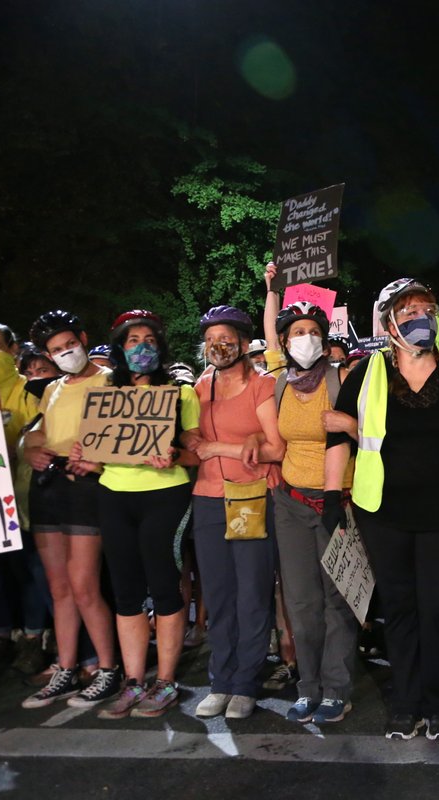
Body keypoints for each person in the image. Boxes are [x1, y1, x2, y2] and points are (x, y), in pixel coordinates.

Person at [324, 278, 439, 741]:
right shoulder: (366, 373)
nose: (420, 318)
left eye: (426, 309)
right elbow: (338, 437)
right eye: (408, 311)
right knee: (401, 609)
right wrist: (333, 497)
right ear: (389, 321)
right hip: (384, 514)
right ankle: (406, 705)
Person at [73, 310, 200, 719]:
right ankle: (132, 681)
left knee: (165, 588)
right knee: (125, 593)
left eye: (148, 339)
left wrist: (175, 455)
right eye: (132, 340)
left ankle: (165, 682)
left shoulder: (181, 394)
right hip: (114, 496)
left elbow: (196, 452)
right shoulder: (104, 396)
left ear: (160, 347)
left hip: (165, 496)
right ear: (120, 348)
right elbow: (97, 453)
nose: (141, 346)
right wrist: (83, 458)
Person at [262, 269, 359, 726]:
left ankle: (338, 688)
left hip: (338, 501)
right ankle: (308, 687)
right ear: (284, 341)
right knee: (299, 601)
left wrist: (350, 426)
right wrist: (272, 291)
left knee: (337, 598)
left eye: (314, 332)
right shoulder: (280, 380)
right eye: (297, 333)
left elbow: (377, 433)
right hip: (290, 502)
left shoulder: (345, 379)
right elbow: (268, 332)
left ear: (325, 338)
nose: (306, 339)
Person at [184, 305, 284, 720]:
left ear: (244, 344)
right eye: (210, 341)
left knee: (252, 593)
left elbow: (277, 449)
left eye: (225, 340)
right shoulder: (198, 387)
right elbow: (191, 445)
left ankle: (245, 683)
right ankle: (220, 680)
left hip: (252, 497)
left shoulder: (263, 386)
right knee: (219, 595)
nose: (217, 347)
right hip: (207, 498)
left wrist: (219, 447)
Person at [20, 310, 120, 709]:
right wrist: (32, 446)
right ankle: (66, 667)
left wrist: (95, 456)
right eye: (55, 350)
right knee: (59, 588)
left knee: (84, 586)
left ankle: (108, 669)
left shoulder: (110, 379)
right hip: (49, 489)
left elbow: (122, 434)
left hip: (86, 489)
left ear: (82, 337)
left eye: (68, 345)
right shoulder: (53, 388)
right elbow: (40, 429)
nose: (64, 354)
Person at [0, 323, 49, 677]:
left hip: (26, 496)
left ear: (13, 350)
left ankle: (34, 639)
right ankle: (1, 638)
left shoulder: (30, 391)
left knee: (33, 571)